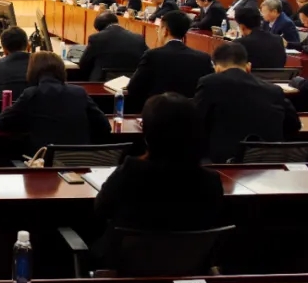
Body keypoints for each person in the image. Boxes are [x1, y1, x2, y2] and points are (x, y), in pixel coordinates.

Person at [95, 93, 224, 231]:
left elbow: (100, 209)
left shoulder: (130, 172)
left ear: (147, 133)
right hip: (191, 246)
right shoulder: (211, 181)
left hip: (131, 245)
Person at [195, 43, 301, 163]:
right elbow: (294, 125)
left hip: (223, 163)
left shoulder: (209, 83)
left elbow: (195, 122)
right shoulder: (274, 90)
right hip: (268, 164)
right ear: (248, 67)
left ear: (217, 68)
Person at [0, 52, 110, 153]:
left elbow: (2, 123)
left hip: (44, 163)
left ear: (33, 71)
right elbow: (104, 126)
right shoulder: (79, 92)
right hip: (80, 162)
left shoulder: (32, 94)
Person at [125, 11, 214, 113]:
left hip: (157, 113)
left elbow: (133, 87)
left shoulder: (152, 55)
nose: (158, 31)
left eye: (159, 28)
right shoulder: (203, 58)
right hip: (190, 115)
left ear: (165, 31)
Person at [77, 11, 148, 81]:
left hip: (101, 83)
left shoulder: (97, 38)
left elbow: (83, 63)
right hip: (131, 82)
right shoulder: (138, 38)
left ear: (100, 29)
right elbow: (147, 60)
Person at [0, 27, 32, 104]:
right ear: (28, 46)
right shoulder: (41, 65)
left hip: (6, 110)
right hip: (36, 111)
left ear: (4, 50)